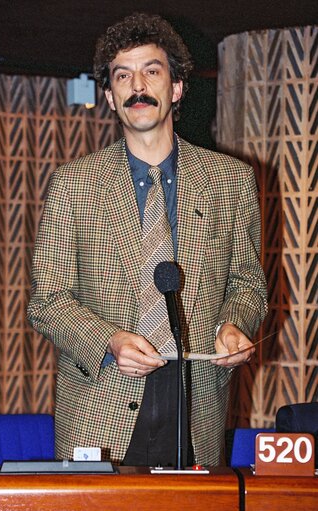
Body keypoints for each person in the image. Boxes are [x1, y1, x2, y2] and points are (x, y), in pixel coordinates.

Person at [27, 12, 268, 467]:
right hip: (99, 408)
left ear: (176, 89)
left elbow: (248, 286)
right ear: (111, 97)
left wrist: (232, 326)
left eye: (151, 71)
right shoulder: (72, 184)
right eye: (123, 76)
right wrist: (108, 342)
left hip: (196, 405)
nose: (138, 86)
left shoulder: (231, 181)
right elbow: (49, 302)